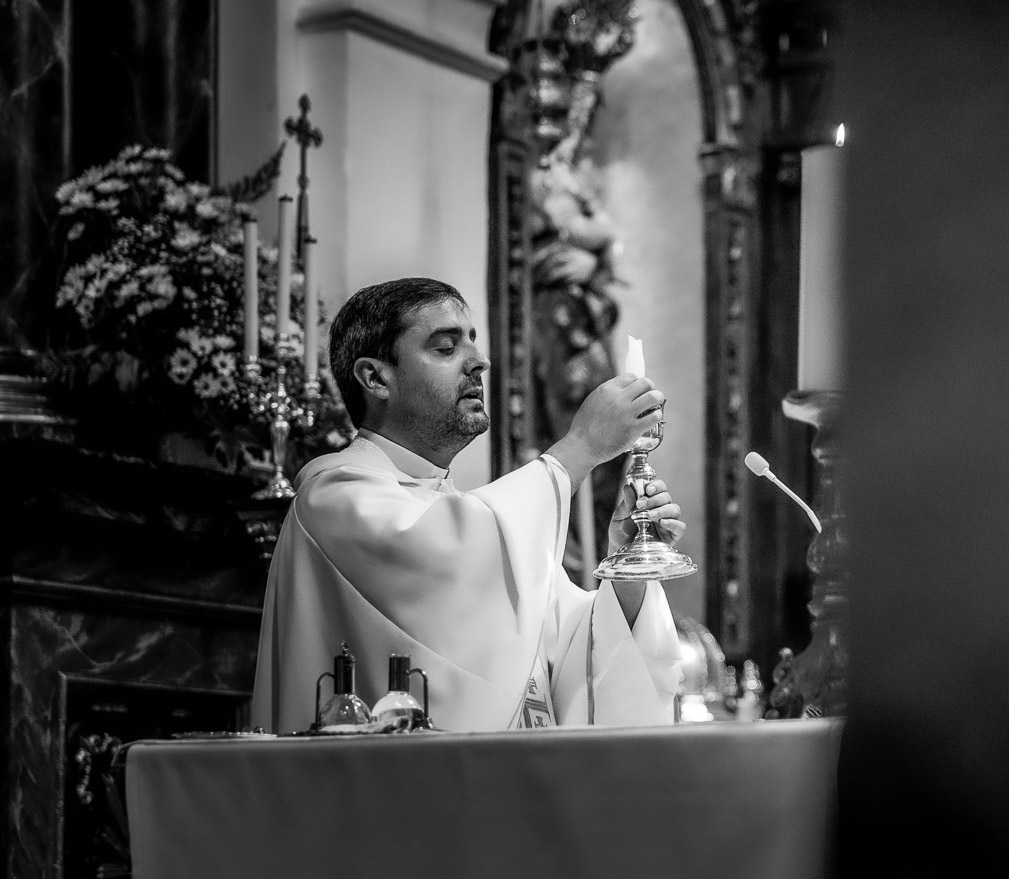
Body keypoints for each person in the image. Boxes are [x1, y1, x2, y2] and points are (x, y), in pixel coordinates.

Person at [250, 277, 684, 733]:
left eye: (473, 342)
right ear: (376, 377)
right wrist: (580, 447)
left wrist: (629, 569)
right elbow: (448, 564)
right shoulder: (332, 499)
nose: (480, 362)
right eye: (445, 348)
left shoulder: (467, 520)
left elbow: (570, 649)